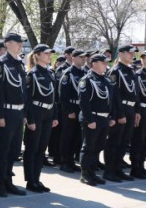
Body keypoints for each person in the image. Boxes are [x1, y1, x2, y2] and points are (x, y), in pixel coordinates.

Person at [0, 32, 28, 197]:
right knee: (2, 150)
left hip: (18, 112)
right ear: (7, 44)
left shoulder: (20, 64)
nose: (20, 45)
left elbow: (23, 91)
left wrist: (24, 113)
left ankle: (8, 180)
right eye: (17, 42)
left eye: (21, 43)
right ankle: (0, 183)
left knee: (14, 150)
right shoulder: (1, 63)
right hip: (6, 111)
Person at [23, 44, 58, 192]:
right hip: (36, 112)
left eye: (50, 53)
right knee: (32, 148)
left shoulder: (50, 73)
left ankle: (37, 179)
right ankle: (30, 180)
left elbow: (54, 97)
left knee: (41, 149)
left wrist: (55, 116)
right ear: (37, 55)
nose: (49, 56)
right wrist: (30, 120)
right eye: (46, 53)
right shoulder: (32, 74)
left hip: (48, 114)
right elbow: (27, 99)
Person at [79, 54, 115, 186]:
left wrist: (110, 116)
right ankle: (85, 174)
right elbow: (84, 102)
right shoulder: (87, 80)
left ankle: (93, 173)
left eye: (107, 63)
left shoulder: (105, 80)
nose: (106, 65)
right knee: (88, 147)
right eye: (103, 62)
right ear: (94, 63)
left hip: (104, 119)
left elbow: (109, 101)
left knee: (98, 147)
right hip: (93, 118)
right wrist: (89, 120)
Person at [103, 45, 138, 182]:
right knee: (114, 141)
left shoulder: (130, 70)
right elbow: (114, 95)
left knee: (124, 142)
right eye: (129, 53)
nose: (132, 55)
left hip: (130, 109)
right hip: (120, 110)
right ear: (121, 54)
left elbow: (135, 94)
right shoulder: (115, 71)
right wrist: (119, 114)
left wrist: (136, 111)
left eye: (133, 53)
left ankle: (118, 169)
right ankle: (109, 171)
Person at [58, 50, 86, 173]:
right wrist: (69, 110)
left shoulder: (85, 72)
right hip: (71, 108)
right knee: (67, 137)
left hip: (80, 108)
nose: (83, 59)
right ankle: (64, 162)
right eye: (81, 57)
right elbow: (62, 95)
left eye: (84, 57)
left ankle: (71, 162)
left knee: (77, 137)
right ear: (73, 58)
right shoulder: (68, 74)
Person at [130, 51, 146, 180]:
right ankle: (135, 167)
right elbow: (136, 95)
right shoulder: (138, 75)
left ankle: (142, 165)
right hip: (142, 110)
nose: (145, 60)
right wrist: (138, 112)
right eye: (144, 58)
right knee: (138, 140)